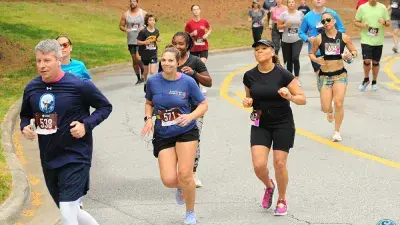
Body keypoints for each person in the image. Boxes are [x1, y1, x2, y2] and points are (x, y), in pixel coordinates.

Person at [20, 39, 112, 225]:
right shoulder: (32, 88)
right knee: (69, 210)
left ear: (58, 59)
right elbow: (25, 115)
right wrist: (25, 128)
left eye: (47, 60)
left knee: (68, 211)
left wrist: (86, 125)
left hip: (76, 156)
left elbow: (105, 107)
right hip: (49, 157)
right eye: (38, 61)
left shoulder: (79, 85)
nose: (42, 66)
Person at [141, 46, 208, 225]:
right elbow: (149, 102)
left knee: (186, 174)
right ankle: (181, 188)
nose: (166, 63)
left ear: (178, 63)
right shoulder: (153, 81)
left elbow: (203, 104)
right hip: (163, 132)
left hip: (186, 130)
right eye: (163, 60)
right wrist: (148, 118)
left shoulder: (188, 82)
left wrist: (191, 116)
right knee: (169, 179)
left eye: (170, 60)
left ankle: (190, 213)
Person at [242, 39, 306, 216]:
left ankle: (282, 199)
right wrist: (248, 102)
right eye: (256, 50)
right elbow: (250, 98)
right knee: (259, 165)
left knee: (279, 163)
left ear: (272, 53)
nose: (259, 52)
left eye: (263, 49)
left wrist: (289, 97)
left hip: (282, 123)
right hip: (260, 123)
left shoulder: (283, 75)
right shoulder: (249, 76)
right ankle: (269, 186)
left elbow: (302, 98)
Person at [159, 32, 212, 188]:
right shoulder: (167, 62)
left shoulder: (194, 61)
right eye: (175, 43)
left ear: (188, 46)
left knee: (193, 142)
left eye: (181, 44)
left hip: (193, 111)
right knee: (171, 141)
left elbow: (208, 82)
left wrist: (194, 73)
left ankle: (192, 173)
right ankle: (177, 173)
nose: (177, 47)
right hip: (170, 111)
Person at [309, 12, 357, 142]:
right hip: (324, 76)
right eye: (323, 21)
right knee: (325, 108)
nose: (326, 23)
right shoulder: (319, 38)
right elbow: (311, 53)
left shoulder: (344, 37)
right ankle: (329, 110)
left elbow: (354, 51)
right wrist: (316, 60)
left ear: (334, 21)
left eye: (328, 20)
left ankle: (337, 131)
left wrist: (350, 55)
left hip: (340, 74)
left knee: (339, 103)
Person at [299, 0, 345, 81]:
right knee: (322, 80)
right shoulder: (308, 16)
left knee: (335, 79)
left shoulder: (332, 14)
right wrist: (308, 39)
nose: (318, 0)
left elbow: (341, 28)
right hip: (316, 52)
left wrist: (334, 36)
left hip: (332, 49)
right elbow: (301, 32)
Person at [355, 0, 390, 92]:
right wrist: (362, 24)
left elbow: (388, 23)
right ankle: (366, 79)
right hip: (366, 39)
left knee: (375, 62)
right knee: (367, 60)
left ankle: (374, 82)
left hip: (378, 41)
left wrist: (384, 22)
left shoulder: (382, 8)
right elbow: (355, 21)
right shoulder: (362, 7)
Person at [119, 0, 147, 85]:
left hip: (141, 40)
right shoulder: (125, 14)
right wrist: (125, 30)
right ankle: (139, 78)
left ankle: (143, 70)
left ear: (137, 3)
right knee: (134, 60)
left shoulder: (143, 13)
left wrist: (144, 27)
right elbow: (121, 26)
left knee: (138, 58)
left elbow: (150, 23)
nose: (132, 3)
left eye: (134, 1)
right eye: (131, 1)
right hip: (131, 40)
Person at [277, 0, 304, 80]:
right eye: (289, 2)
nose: (291, 4)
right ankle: (290, 78)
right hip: (286, 40)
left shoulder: (300, 14)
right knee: (289, 60)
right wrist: (285, 25)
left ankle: (296, 76)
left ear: (295, 4)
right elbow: (278, 26)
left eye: (293, 2)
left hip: (297, 39)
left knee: (295, 57)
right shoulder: (283, 14)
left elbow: (304, 24)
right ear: (287, 4)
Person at [137, 14, 160, 93]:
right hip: (145, 54)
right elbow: (138, 42)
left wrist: (157, 40)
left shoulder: (156, 31)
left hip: (153, 53)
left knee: (153, 72)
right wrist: (144, 42)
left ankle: (153, 86)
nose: (152, 21)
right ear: (147, 21)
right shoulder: (143, 32)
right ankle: (146, 83)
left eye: (153, 20)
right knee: (146, 72)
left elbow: (156, 38)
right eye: (150, 20)